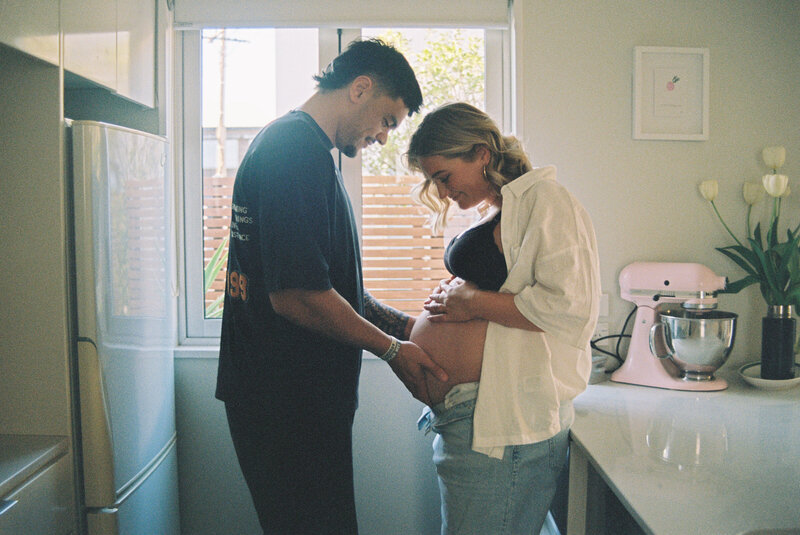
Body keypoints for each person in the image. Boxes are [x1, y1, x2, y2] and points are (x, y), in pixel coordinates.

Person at [215, 38, 447, 535]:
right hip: (284, 403)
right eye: (387, 120)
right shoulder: (293, 153)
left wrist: (413, 329)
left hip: (294, 400)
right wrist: (392, 351)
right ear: (360, 88)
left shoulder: (307, 152)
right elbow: (297, 296)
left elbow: (335, 287)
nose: (383, 137)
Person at [405, 102, 601, 534]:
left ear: (481, 154)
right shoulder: (500, 209)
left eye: (444, 177)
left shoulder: (547, 200)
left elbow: (569, 306)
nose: (442, 192)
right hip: (480, 417)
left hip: (508, 420)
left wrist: (471, 303)